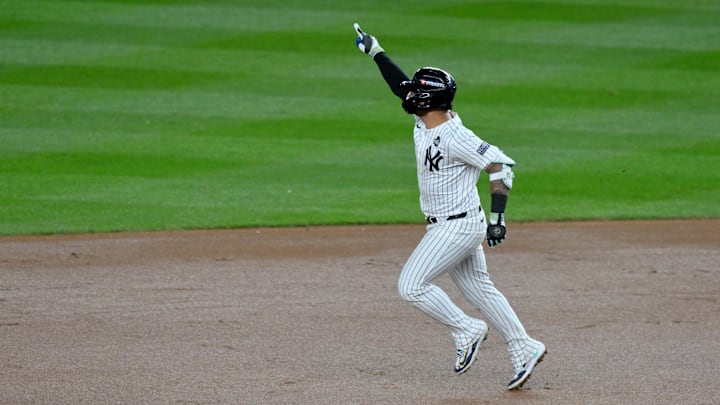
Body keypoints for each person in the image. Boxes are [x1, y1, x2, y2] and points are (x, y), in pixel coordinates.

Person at [353, 23, 546, 390]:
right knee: (481, 291)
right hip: (451, 223)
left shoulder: (455, 135)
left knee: (411, 286)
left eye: (416, 92)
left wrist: (498, 218)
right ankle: (524, 346)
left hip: (456, 227)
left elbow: (501, 167)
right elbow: (400, 84)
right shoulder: (423, 121)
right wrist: (375, 50)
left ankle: (467, 329)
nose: (408, 94)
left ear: (428, 100)